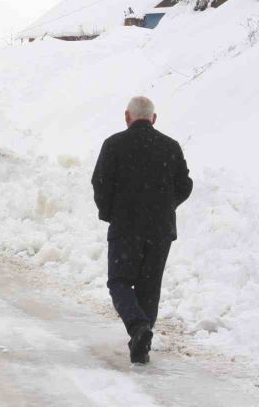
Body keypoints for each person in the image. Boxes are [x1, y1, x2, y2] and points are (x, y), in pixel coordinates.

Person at [92, 96, 193, 364]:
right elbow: (185, 185)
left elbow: (100, 182)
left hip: (125, 226)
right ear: (154, 119)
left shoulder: (114, 145)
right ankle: (142, 343)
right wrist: (166, 206)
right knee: (150, 286)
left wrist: (110, 212)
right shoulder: (170, 147)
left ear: (127, 117)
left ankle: (138, 328)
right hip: (160, 230)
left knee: (119, 281)